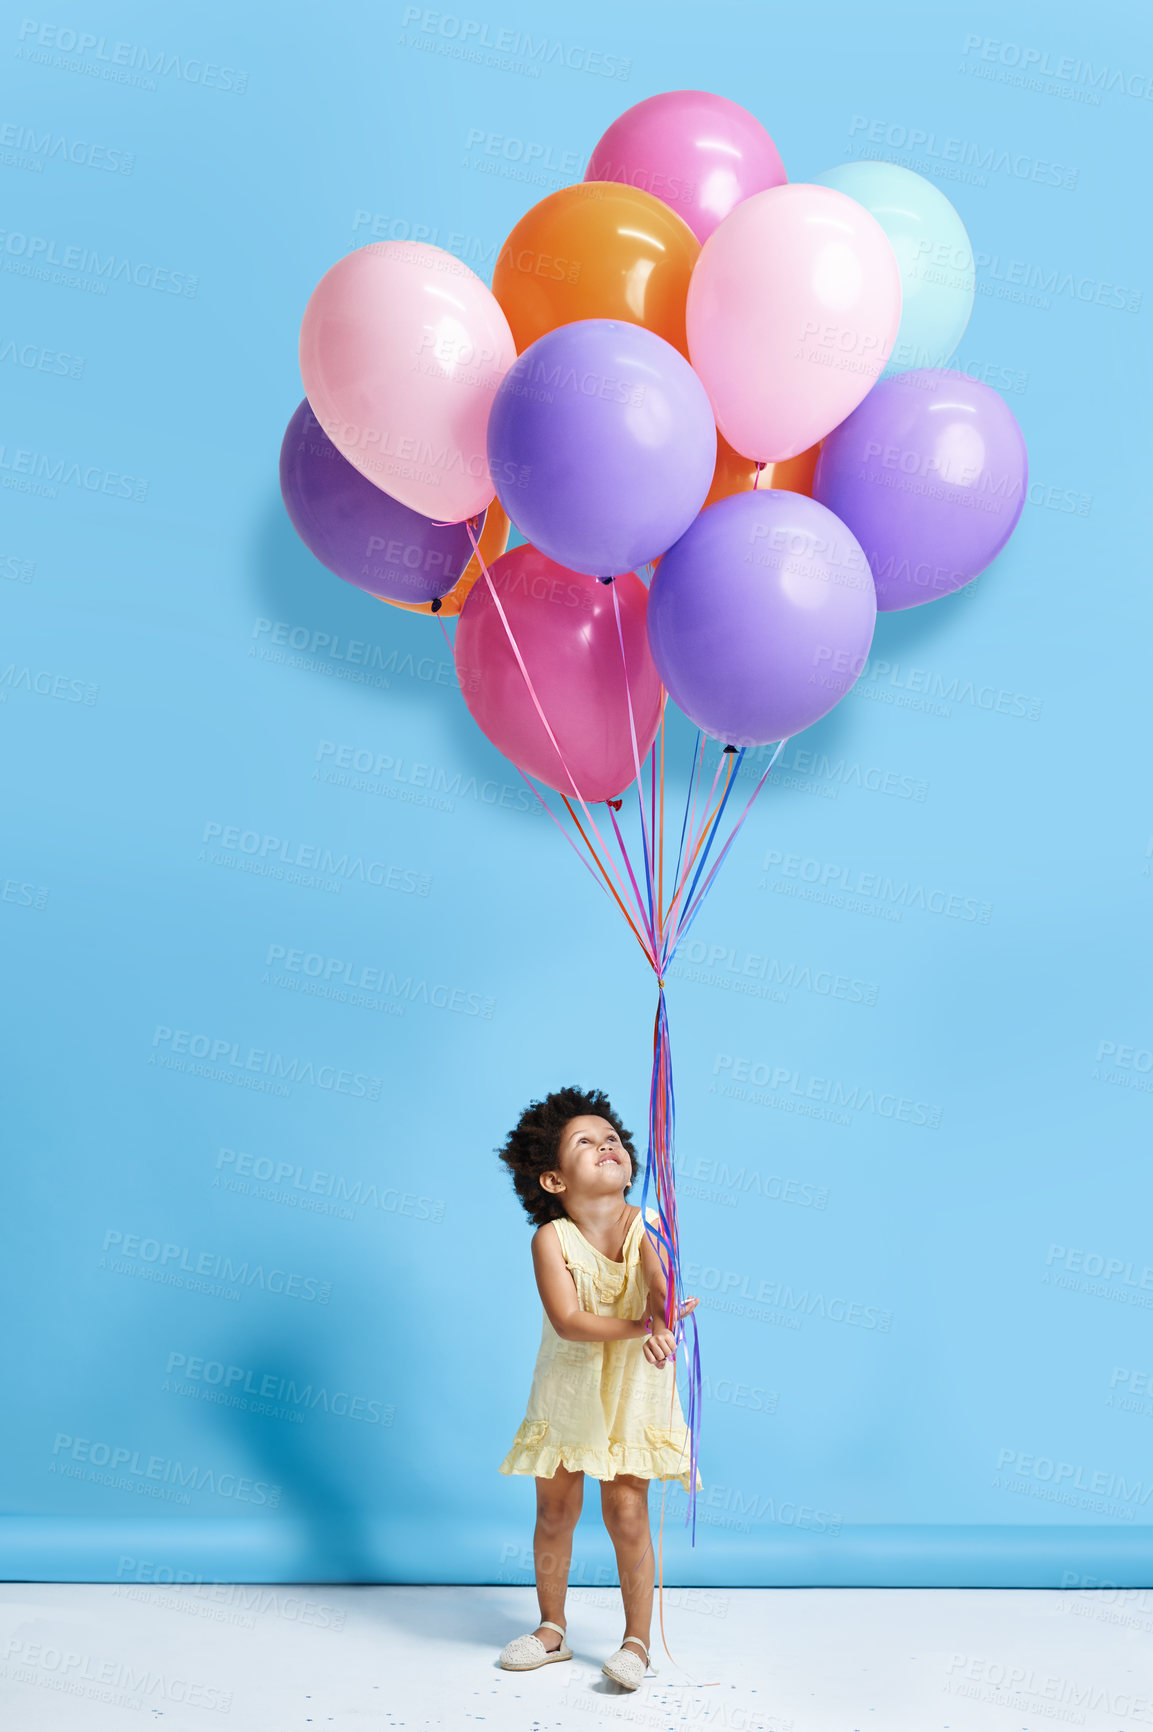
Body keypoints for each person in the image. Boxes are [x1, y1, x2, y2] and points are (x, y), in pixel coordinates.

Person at [495, 1085, 702, 1691]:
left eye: (611, 1137)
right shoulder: (551, 1241)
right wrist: (643, 1325)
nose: (605, 1143)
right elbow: (570, 1321)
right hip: (570, 1386)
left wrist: (665, 1316)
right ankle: (551, 1628)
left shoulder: (649, 1225)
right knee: (555, 1509)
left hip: (634, 1387)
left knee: (626, 1510)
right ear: (554, 1181)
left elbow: (662, 1285)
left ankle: (636, 1641)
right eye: (584, 1141)